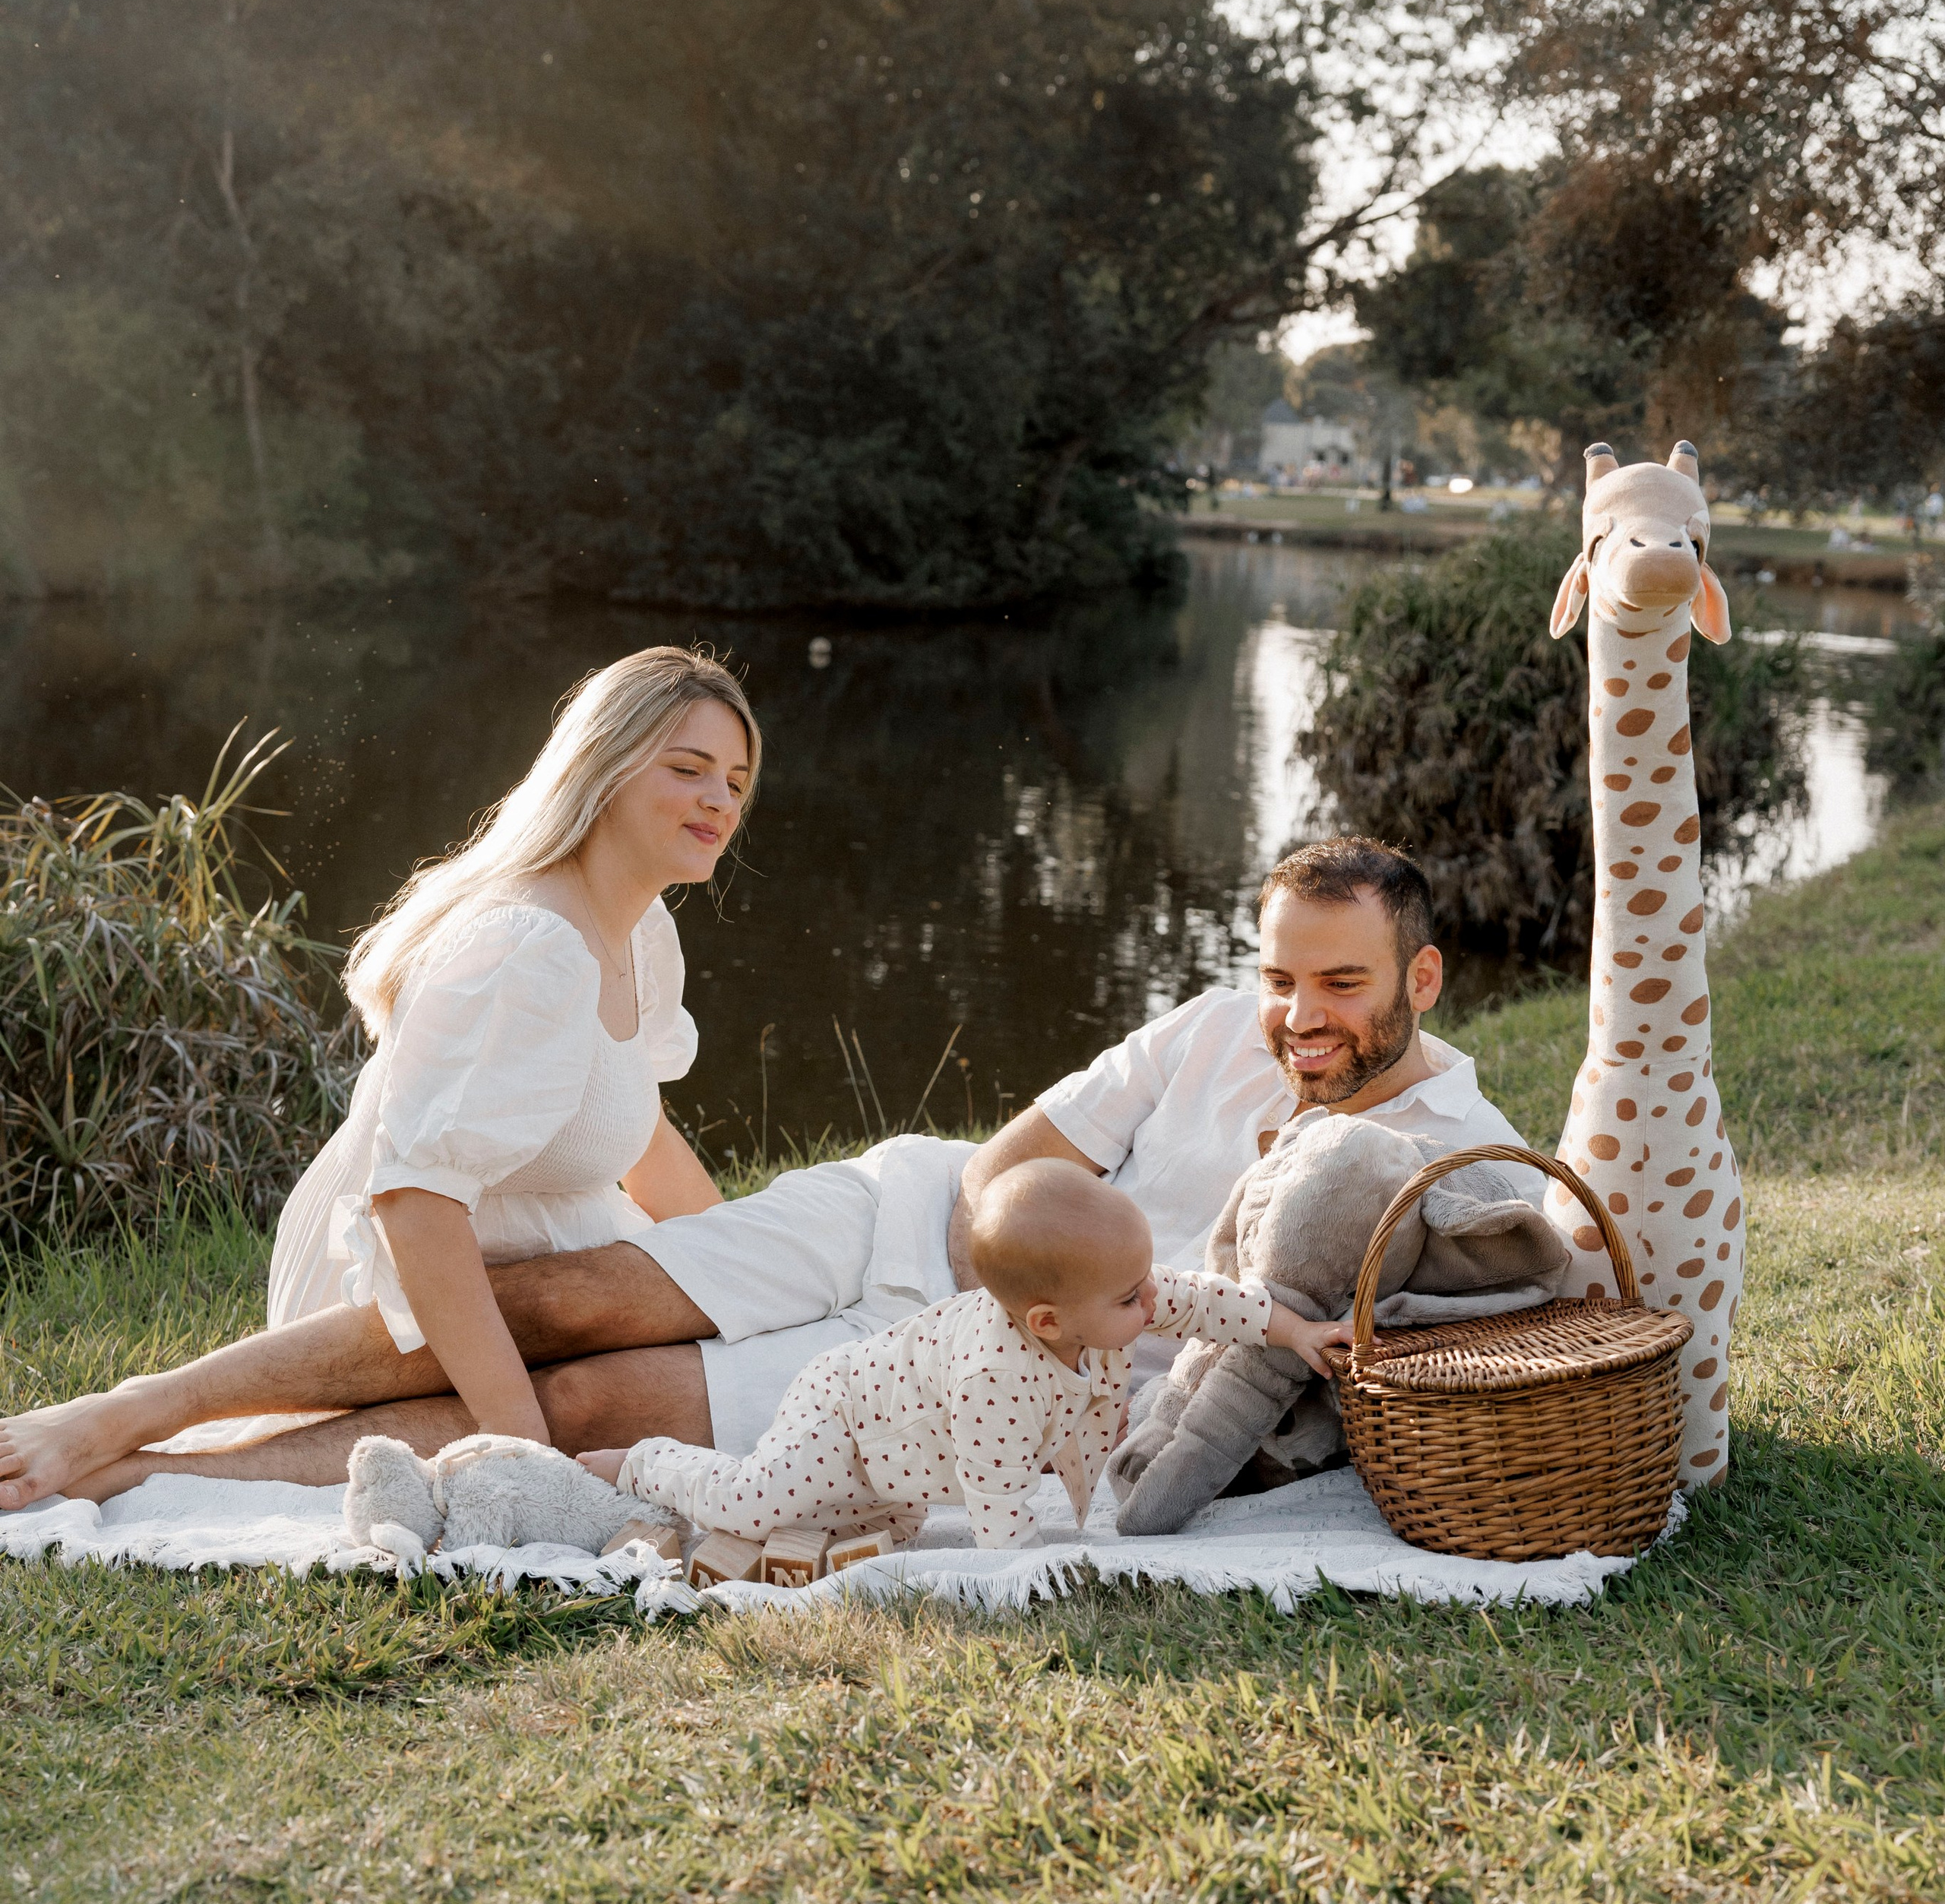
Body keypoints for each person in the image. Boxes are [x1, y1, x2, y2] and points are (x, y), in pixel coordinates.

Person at [0, 832, 1524, 1508]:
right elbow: (1011, 1162)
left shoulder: (1454, 1150)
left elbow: (1443, 1327)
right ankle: (125, 1408)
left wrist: (1042, 1336)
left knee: (598, 1409)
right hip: (907, 1214)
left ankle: (159, 1478)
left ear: (1422, 981)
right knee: (567, 1301)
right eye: (1278, 976)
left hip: (1005, 1360)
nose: (1293, 1016)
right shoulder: (1208, 1029)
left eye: (1334, 986)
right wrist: (1001, 1251)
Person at [0, 645, 757, 1509]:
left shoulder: (641, 931)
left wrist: (747, 1274)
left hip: (543, 1266)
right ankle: (135, 1454)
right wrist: (523, 1445)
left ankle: (138, 1444)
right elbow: (415, 1202)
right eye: (689, 769)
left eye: (735, 782)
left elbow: (638, 1129)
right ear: (603, 769)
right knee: (591, 1417)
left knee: (686, 1387)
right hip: (413, 1277)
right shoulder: (529, 946)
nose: (719, 802)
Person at [581, 1161, 1350, 1552]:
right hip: (847, 1418)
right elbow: (999, 1514)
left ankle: (866, 1509)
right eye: (1130, 1298)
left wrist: (1296, 1332)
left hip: (904, 1459)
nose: (1152, 1302)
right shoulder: (997, 1381)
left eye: (1143, 1280)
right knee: (757, 1504)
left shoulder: (1116, 1297)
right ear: (1047, 1320)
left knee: (891, 1526)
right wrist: (1047, 1577)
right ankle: (642, 1464)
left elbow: (1207, 1300)